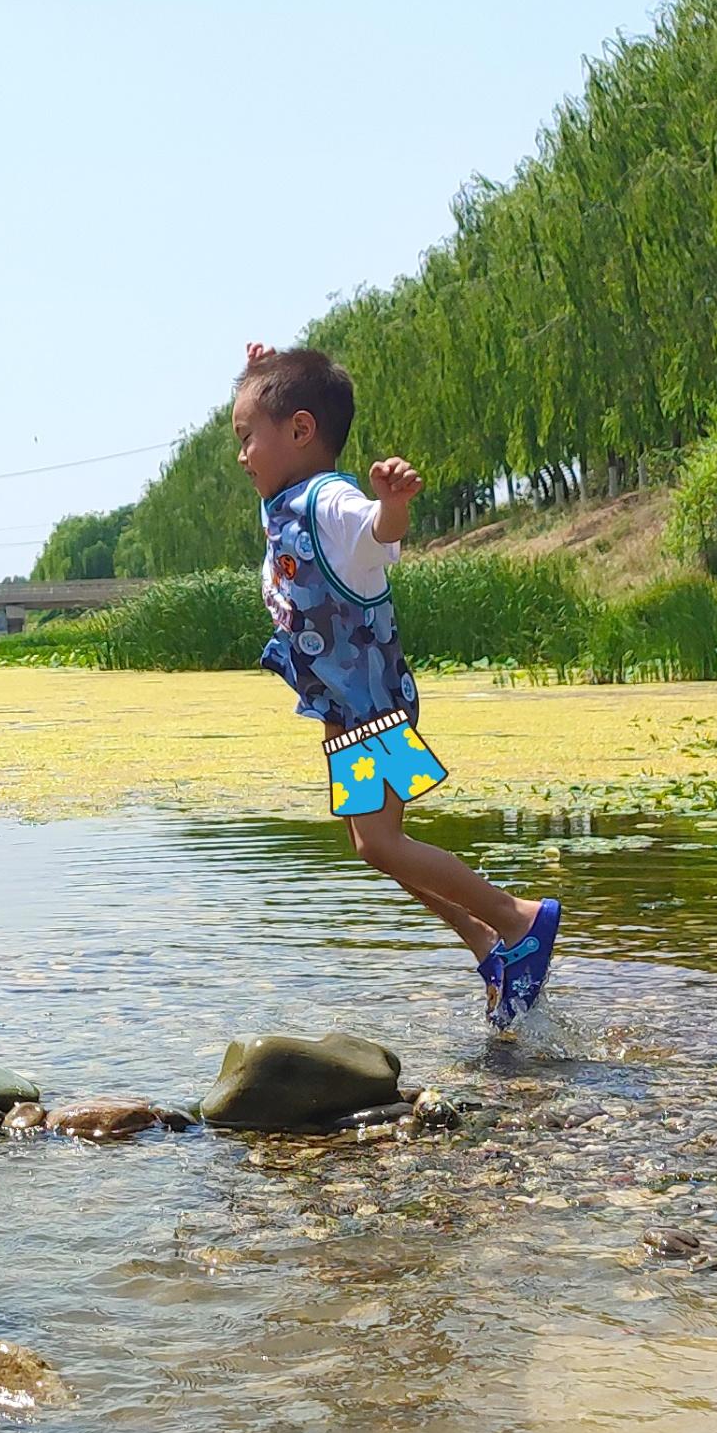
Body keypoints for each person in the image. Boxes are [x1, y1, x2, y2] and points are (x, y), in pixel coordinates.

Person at [235, 341, 560, 1030]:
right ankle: (486, 946)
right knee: (369, 845)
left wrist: (393, 503)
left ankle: (517, 919)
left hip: (369, 701)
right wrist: (261, 367)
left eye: (246, 438)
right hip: (339, 701)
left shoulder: (331, 501)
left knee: (381, 843)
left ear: (299, 431)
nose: (240, 455)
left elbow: (376, 533)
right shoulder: (291, 495)